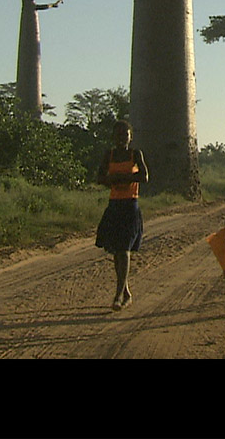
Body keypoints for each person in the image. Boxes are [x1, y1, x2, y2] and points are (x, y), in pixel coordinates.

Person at [95, 120, 148, 311]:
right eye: (119, 134)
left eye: (125, 134)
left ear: (130, 137)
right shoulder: (108, 155)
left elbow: (144, 176)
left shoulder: (135, 154)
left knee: (124, 249)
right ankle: (125, 292)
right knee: (116, 253)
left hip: (130, 206)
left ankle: (118, 295)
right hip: (114, 206)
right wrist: (111, 180)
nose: (122, 138)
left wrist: (125, 178)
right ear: (113, 137)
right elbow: (99, 177)